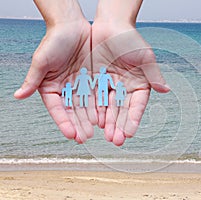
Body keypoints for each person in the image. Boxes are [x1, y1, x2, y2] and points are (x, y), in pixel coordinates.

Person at [14, 0, 170, 146]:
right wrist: (64, 21)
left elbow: (99, 84)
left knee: (98, 98)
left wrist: (115, 20)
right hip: (88, 89)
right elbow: (91, 83)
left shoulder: (105, 82)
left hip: (98, 89)